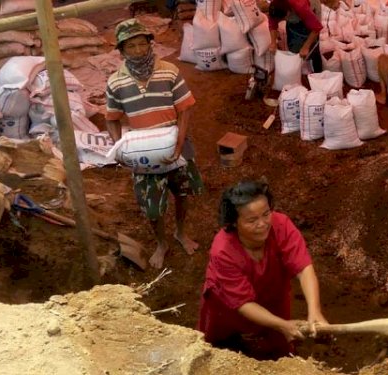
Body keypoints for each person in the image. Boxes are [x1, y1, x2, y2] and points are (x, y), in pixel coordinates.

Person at [105, 18, 204, 269]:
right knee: (152, 207)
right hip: (143, 154)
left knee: (182, 193)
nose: (138, 51)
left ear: (150, 44)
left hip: (175, 146)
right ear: (121, 51)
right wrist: (120, 150)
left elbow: (185, 110)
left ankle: (180, 233)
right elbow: (112, 118)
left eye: (142, 44)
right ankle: (161, 243)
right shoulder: (116, 82)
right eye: (131, 47)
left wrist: (180, 144)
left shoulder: (169, 70)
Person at [197, 180, 328, 360]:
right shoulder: (222, 251)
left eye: (266, 214)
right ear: (234, 223)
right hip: (228, 306)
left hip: (272, 293)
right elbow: (242, 303)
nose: (263, 223)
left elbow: (304, 268)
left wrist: (315, 311)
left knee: (279, 348)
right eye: (252, 220)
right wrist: (283, 325)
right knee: (223, 349)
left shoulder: (281, 225)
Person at [267, 0, 324, 73]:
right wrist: (273, 43)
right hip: (293, 9)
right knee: (294, 44)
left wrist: (306, 47)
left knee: (313, 48)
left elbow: (316, 28)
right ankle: (296, 69)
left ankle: (318, 72)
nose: (283, 20)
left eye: (283, 18)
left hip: (311, 6)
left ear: (288, 12)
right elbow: (273, 24)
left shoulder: (301, 7)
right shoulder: (275, 7)